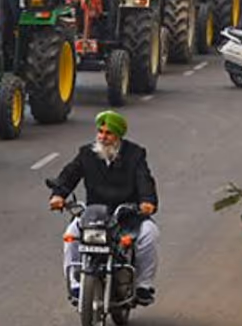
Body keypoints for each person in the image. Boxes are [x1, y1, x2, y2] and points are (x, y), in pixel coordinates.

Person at [49, 110, 159, 306]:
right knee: (71, 235)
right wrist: (59, 195)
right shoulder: (86, 153)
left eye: (108, 133)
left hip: (127, 215)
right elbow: (70, 174)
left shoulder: (135, 154)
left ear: (118, 136)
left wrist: (147, 201)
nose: (103, 137)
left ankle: (143, 285)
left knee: (149, 233)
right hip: (94, 214)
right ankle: (75, 284)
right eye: (100, 132)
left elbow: (144, 179)